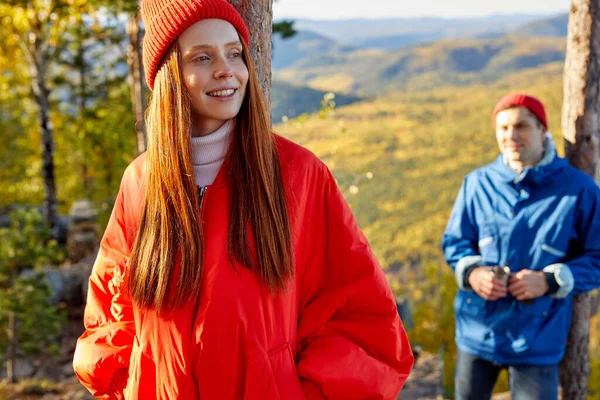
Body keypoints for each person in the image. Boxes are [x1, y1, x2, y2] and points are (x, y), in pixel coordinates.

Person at [72, 0, 414, 398]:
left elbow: (361, 315)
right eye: (202, 56)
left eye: (234, 53)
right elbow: (111, 313)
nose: (226, 70)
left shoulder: (297, 175)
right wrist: (133, 383)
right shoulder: (141, 183)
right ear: (169, 74)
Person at [442, 93, 600, 400]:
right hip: (478, 333)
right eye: (502, 128)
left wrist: (549, 280)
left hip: (537, 339)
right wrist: (473, 273)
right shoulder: (477, 183)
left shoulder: (578, 189)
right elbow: (455, 242)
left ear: (543, 131)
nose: (510, 136)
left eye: (521, 126)